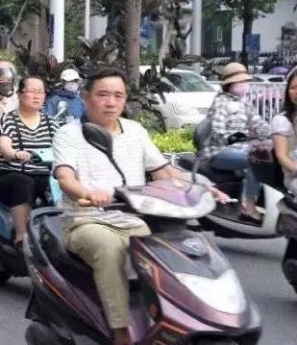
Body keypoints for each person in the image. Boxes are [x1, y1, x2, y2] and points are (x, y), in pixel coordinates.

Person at [53, 67, 226, 345]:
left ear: (125, 100)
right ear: (86, 97)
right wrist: (89, 192)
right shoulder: (69, 134)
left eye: (118, 96)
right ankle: (121, 331)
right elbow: (65, 177)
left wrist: (204, 187)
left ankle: (179, 320)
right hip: (87, 220)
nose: (111, 102)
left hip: (134, 219)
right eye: (103, 95)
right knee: (109, 250)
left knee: (178, 252)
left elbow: (162, 171)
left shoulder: (134, 130)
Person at [202, 62, 270, 222]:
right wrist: (235, 137)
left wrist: (277, 133)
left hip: (241, 150)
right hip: (219, 152)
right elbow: (218, 131)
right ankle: (249, 207)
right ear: (229, 84)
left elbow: (260, 125)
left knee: (265, 156)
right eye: (239, 82)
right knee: (256, 160)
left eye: (245, 82)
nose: (243, 85)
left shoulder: (245, 103)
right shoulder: (221, 102)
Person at [0, 76, 57, 246]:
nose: (37, 96)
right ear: (20, 95)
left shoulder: (51, 123)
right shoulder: (8, 120)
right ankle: (22, 237)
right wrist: (15, 153)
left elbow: (64, 146)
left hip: (44, 177)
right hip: (10, 176)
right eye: (32, 91)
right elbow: (5, 147)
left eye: (41, 92)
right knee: (24, 182)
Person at [271, 68, 297, 193]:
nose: (296, 92)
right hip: (294, 175)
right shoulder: (282, 120)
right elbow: (281, 156)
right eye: (293, 88)